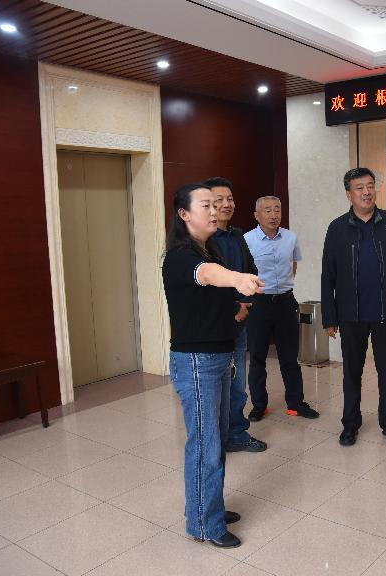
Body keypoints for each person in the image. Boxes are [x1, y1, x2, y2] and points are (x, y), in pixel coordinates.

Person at [162, 183, 264, 549]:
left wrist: (235, 306)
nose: (214, 209)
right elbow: (206, 275)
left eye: (215, 204)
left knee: (216, 442)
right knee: (205, 445)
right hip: (197, 362)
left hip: (218, 357)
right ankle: (204, 524)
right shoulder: (181, 255)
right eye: (205, 205)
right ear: (184, 214)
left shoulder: (211, 247)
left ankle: (208, 508)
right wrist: (236, 278)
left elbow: (208, 295)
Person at [321, 167, 386, 447]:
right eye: (359, 187)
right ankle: (350, 424)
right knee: (351, 373)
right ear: (348, 194)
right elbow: (328, 275)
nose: (366, 192)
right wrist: (329, 317)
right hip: (350, 314)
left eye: (370, 185)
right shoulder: (337, 228)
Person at [205, 177, 268, 454]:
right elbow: (208, 284)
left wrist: (246, 304)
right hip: (215, 324)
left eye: (229, 199)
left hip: (240, 323)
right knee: (215, 386)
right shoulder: (204, 241)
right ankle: (215, 439)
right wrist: (235, 309)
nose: (226, 204)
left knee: (238, 385)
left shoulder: (237, 236)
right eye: (218, 200)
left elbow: (250, 270)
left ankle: (236, 434)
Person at [243, 196, 320, 421]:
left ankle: (295, 403)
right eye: (267, 210)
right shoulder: (246, 240)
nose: (273, 215)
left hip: (286, 302)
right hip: (259, 303)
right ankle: (259, 405)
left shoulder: (290, 237)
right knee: (257, 357)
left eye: (277, 209)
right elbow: (242, 272)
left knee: (290, 357)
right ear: (257, 215)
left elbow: (292, 266)